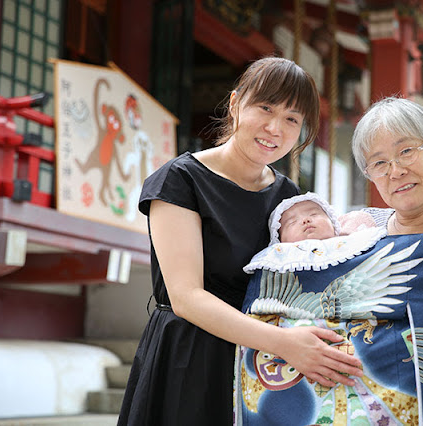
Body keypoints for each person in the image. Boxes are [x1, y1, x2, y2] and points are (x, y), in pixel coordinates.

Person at [234, 96, 423, 425]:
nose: (396, 171)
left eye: (406, 151)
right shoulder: (352, 232)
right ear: (369, 174)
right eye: (379, 163)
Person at [117, 57, 362, 426]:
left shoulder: (287, 196)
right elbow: (186, 297)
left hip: (260, 366)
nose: (275, 128)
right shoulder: (180, 180)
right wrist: (283, 344)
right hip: (190, 358)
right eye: (265, 108)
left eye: (292, 119)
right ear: (235, 104)